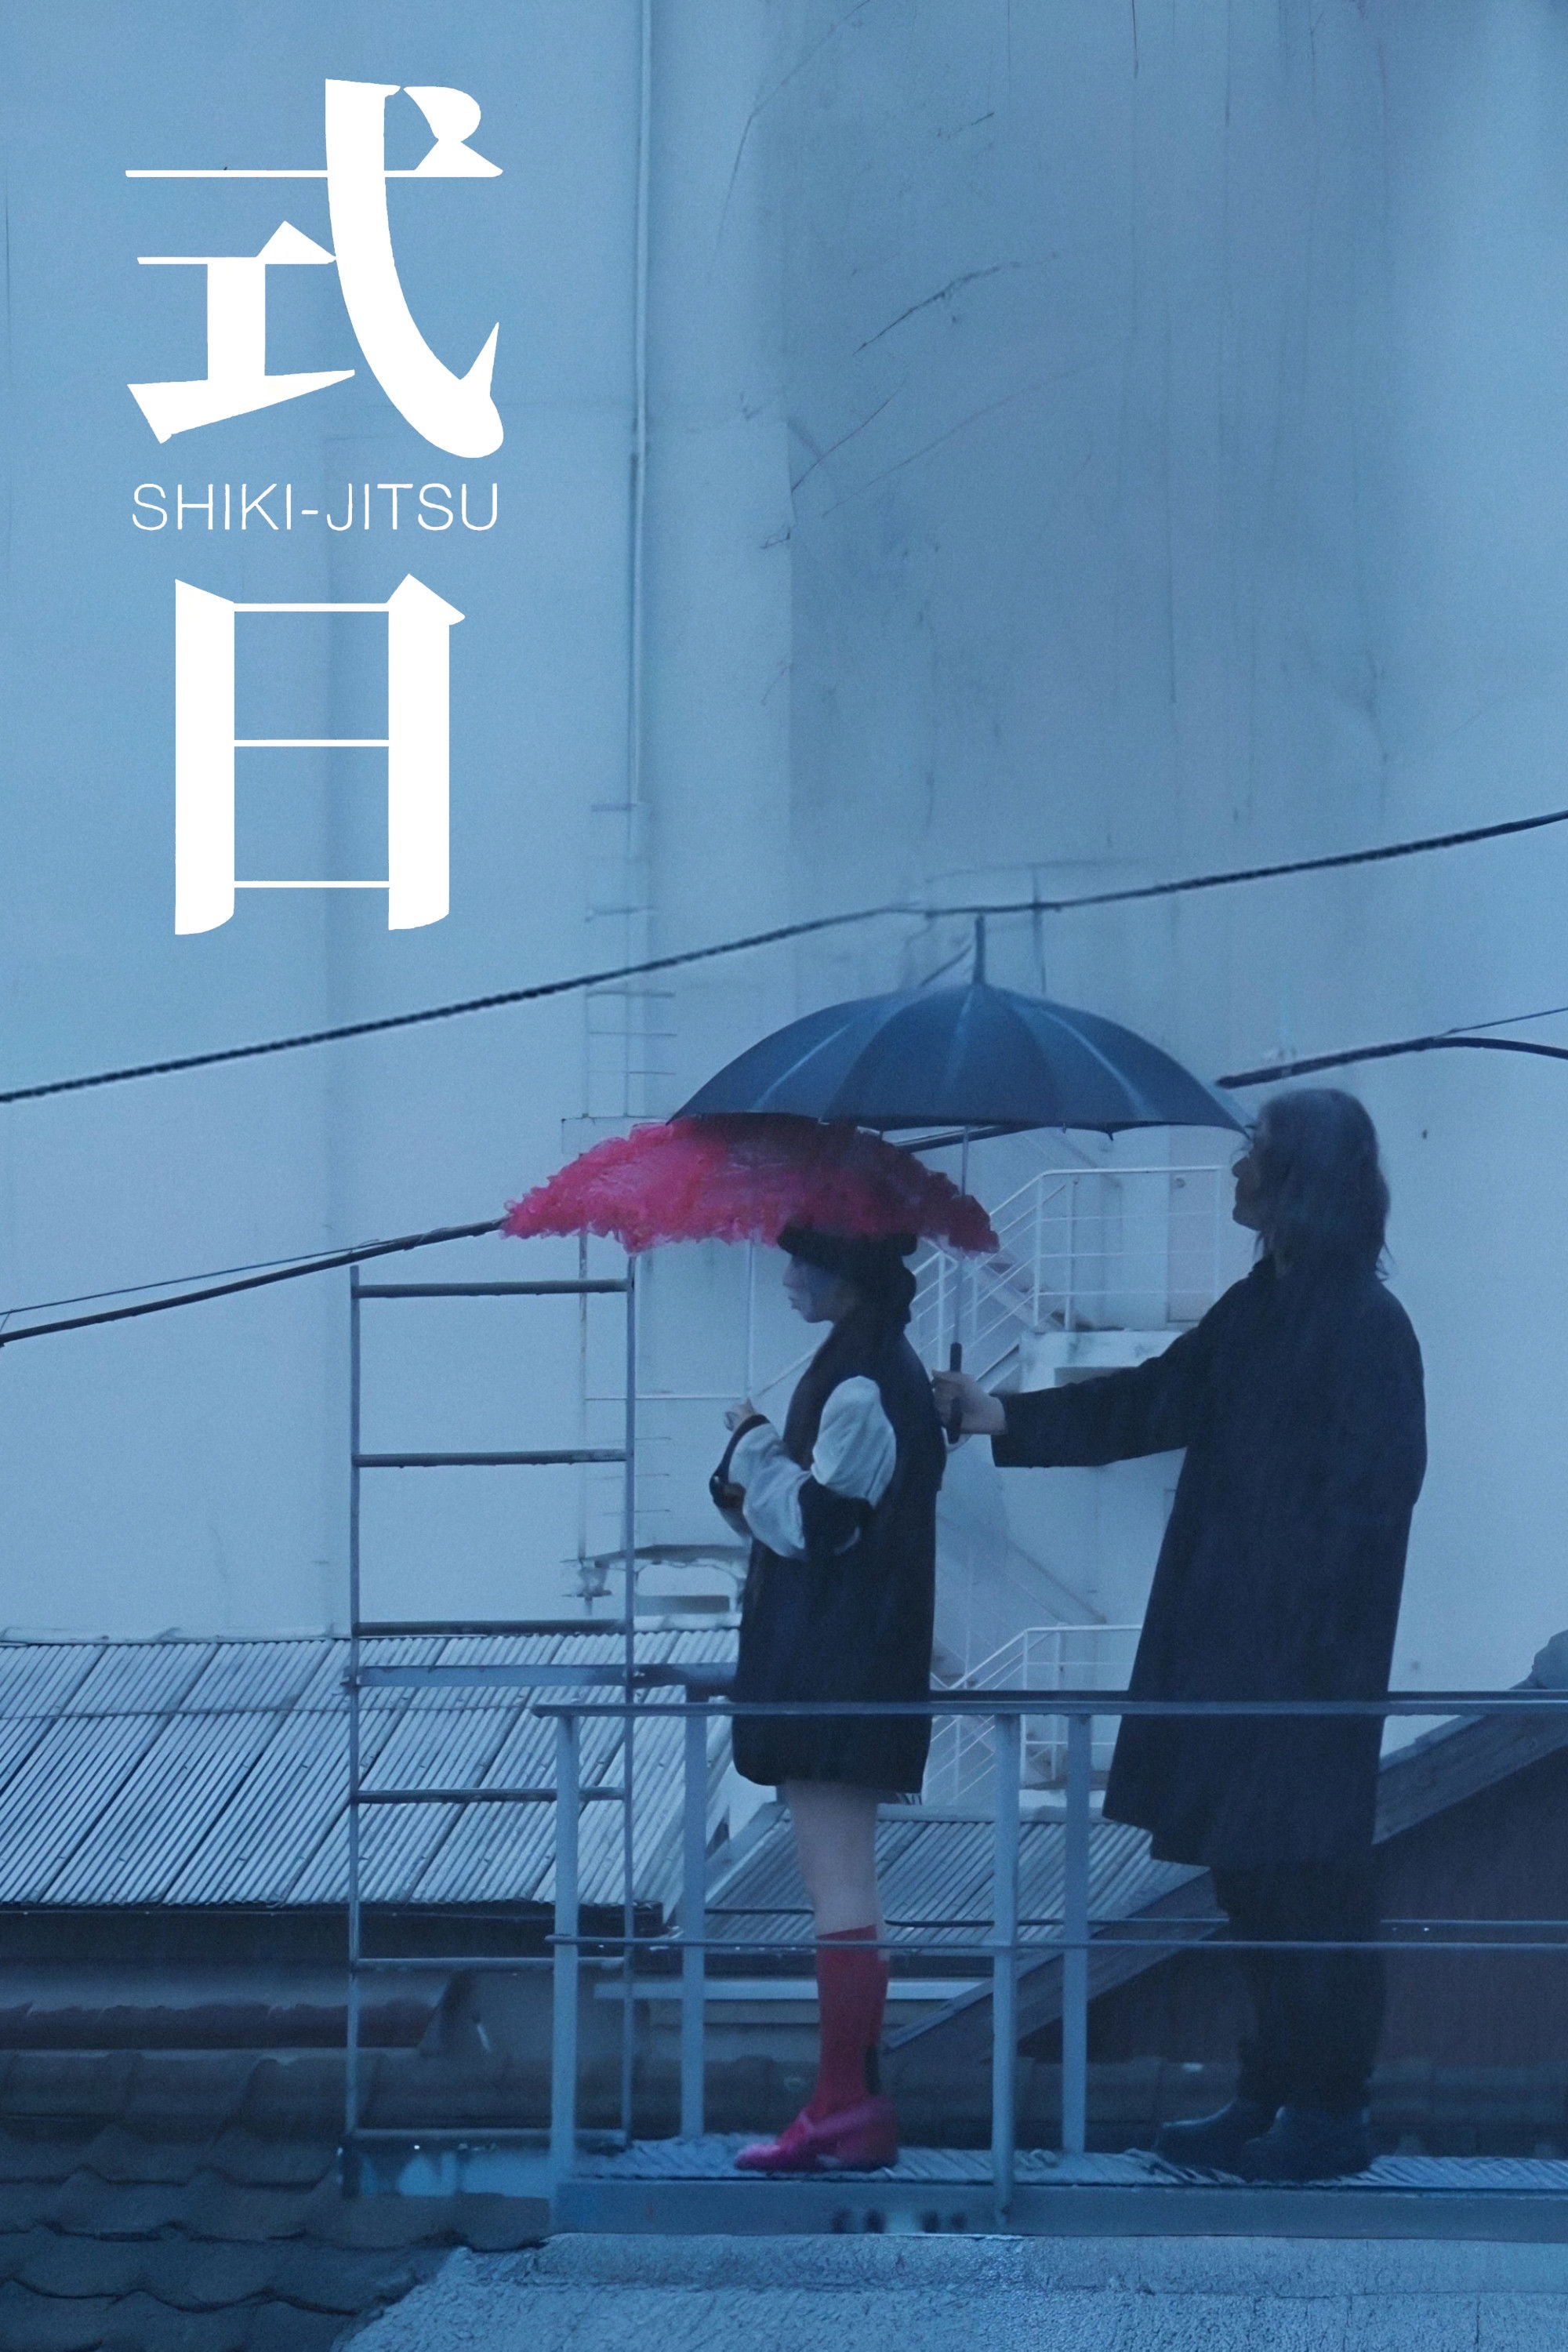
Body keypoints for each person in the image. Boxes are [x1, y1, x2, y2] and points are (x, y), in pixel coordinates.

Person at [935, 1090, 1426, 2183]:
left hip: (1301, 1672)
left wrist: (1298, 1633)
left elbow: (1375, 1502)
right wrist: (1001, 1414)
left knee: (1309, 1884)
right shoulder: (1264, 1305)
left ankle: (1326, 2111)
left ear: (1298, 1180)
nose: (1234, 1169)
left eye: (1255, 1153)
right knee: (1254, 1879)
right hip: (1240, 1654)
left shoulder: (1364, 1325)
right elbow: (1158, 1399)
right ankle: (1274, 2096)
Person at [710, 1224, 945, 2173]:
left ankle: (844, 2104)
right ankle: (848, 2101)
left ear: (847, 1276)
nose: (789, 1277)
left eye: (804, 1260)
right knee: (844, 1884)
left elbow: (822, 1526)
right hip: (852, 1663)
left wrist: (754, 1446)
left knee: (838, 1883)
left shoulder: (859, 1383)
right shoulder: (874, 1369)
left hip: (835, 1666)